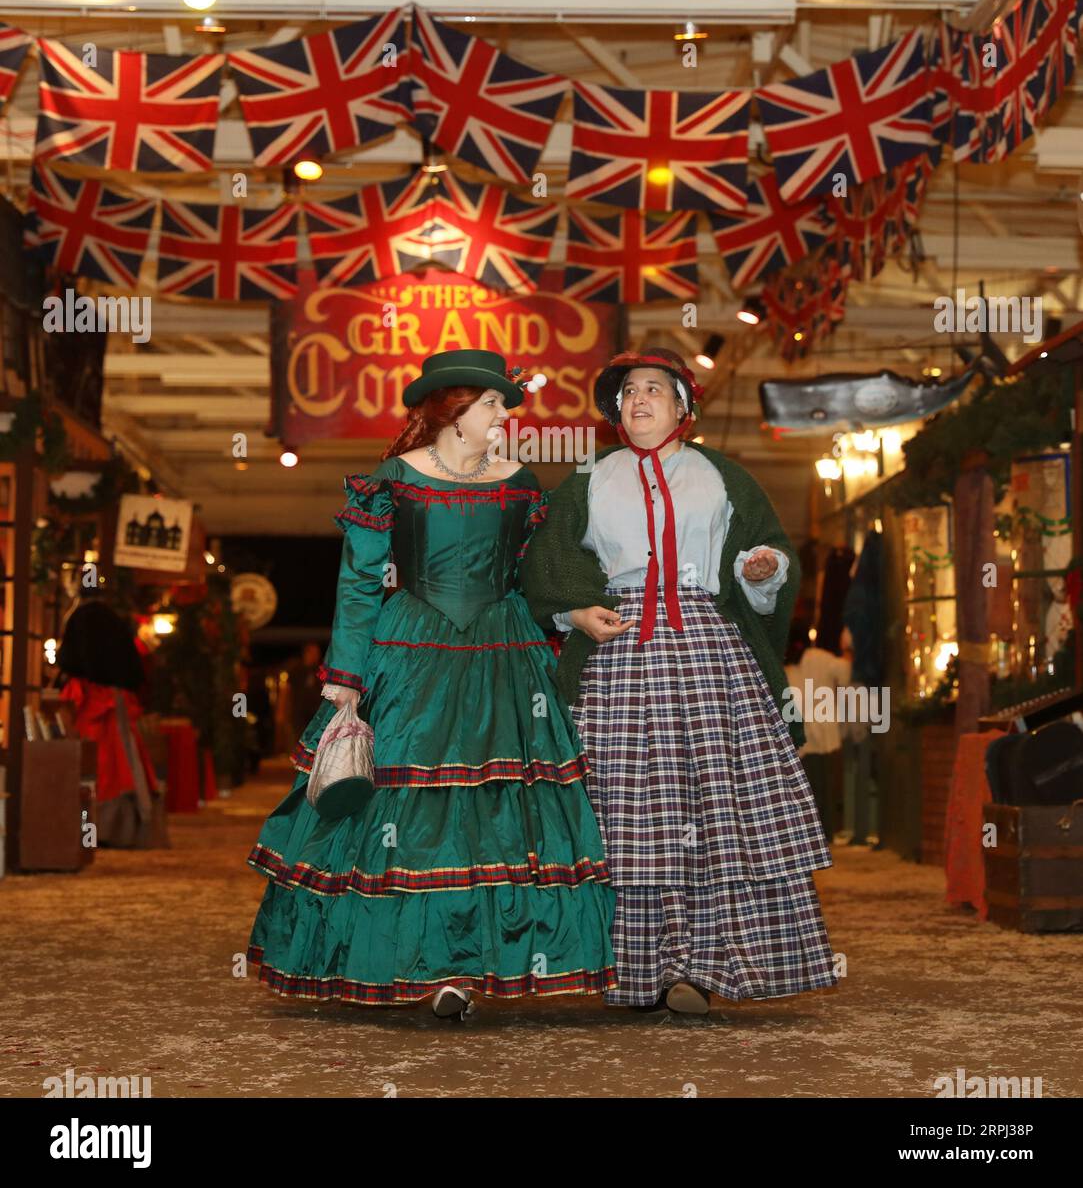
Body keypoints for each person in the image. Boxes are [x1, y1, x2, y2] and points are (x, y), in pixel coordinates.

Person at [246, 349, 616, 1017]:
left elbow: (535, 577)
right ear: (454, 411)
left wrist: (571, 610)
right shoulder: (394, 480)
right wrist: (346, 681)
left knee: (499, 817)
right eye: (495, 404)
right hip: (410, 654)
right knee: (409, 812)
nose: (506, 415)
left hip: (506, 656)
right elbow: (359, 584)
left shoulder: (520, 482)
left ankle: (474, 964)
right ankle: (429, 968)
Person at [521, 347, 836, 1014]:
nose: (639, 399)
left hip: (706, 654)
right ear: (613, 409)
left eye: (654, 389)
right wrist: (575, 608)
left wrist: (762, 569)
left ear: (682, 407)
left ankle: (699, 966)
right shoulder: (587, 480)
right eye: (627, 390)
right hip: (617, 658)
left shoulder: (723, 477)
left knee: (712, 811)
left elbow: (769, 548)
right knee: (621, 816)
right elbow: (544, 563)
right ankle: (622, 968)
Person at [57, 594, 163, 849]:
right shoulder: (120, 687)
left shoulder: (77, 687)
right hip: (118, 721)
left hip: (90, 720)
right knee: (123, 770)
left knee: (92, 772)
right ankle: (117, 830)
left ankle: (85, 832)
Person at [786, 626, 853, 843]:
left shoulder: (783, 664)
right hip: (822, 735)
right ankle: (825, 834)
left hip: (797, 737)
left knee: (803, 790)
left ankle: (806, 835)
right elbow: (845, 673)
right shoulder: (819, 657)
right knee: (824, 787)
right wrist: (848, 652)